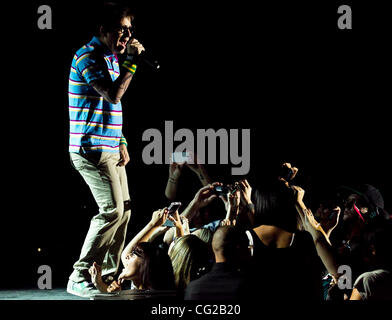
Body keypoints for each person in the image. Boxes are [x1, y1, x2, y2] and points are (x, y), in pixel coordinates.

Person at [67, 2, 145, 298]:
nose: (127, 34)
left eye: (129, 29)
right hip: (90, 149)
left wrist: (122, 140)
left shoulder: (112, 57)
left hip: (111, 146)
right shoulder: (87, 57)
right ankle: (79, 274)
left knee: (123, 211)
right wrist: (133, 63)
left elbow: (105, 109)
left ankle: (108, 275)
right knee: (111, 210)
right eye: (121, 29)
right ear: (103, 30)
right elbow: (112, 95)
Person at [184, 226, 251, 300]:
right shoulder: (248, 287)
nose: (249, 252)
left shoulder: (193, 289)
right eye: (247, 247)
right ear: (239, 248)